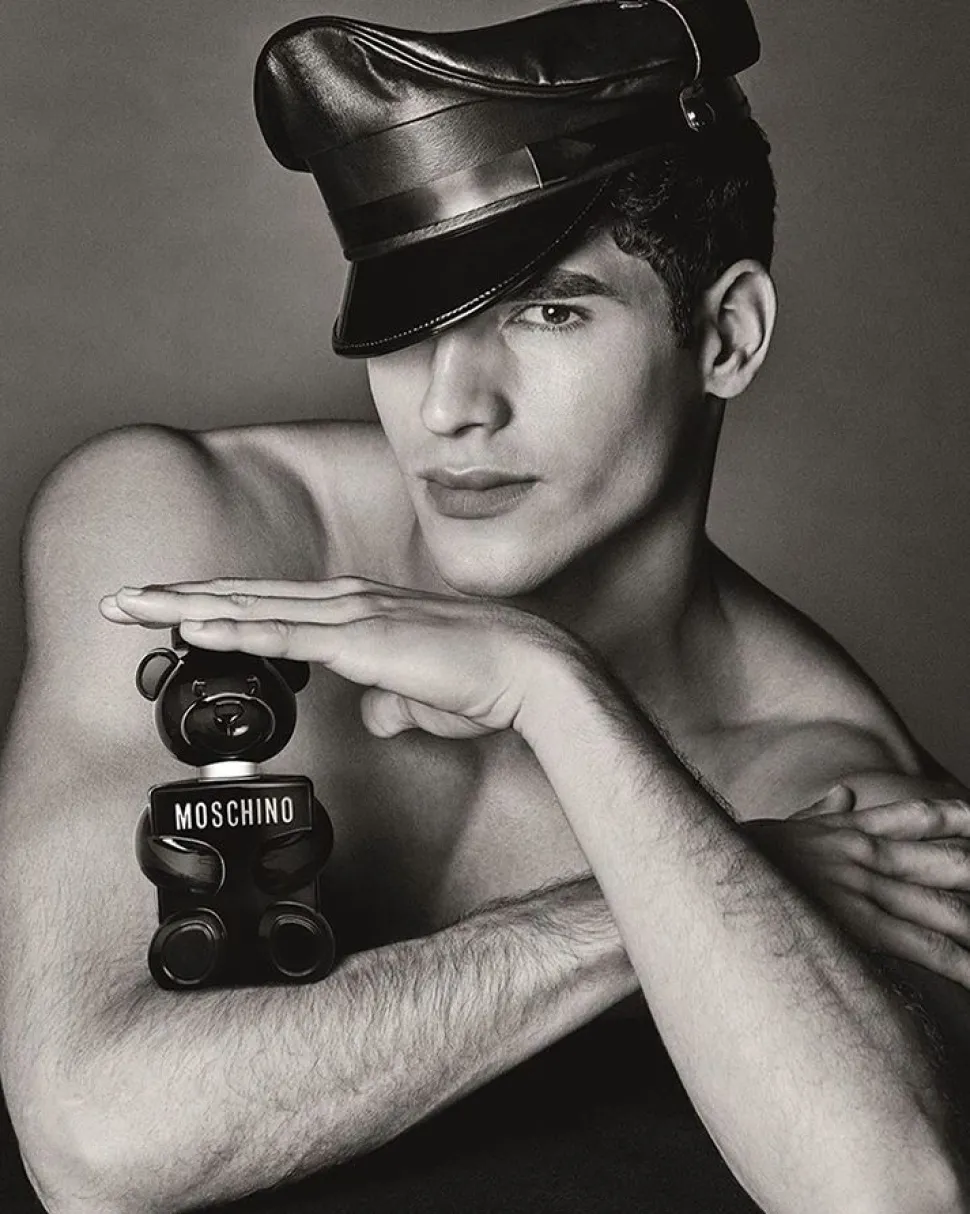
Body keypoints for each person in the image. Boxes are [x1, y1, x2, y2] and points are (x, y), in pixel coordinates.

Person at [1, 2, 969, 1211]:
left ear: (725, 336)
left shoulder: (838, 788)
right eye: (410, 324)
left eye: (547, 311)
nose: (451, 406)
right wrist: (693, 888)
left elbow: (888, 1195)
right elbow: (95, 1140)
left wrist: (550, 688)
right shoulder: (197, 526)